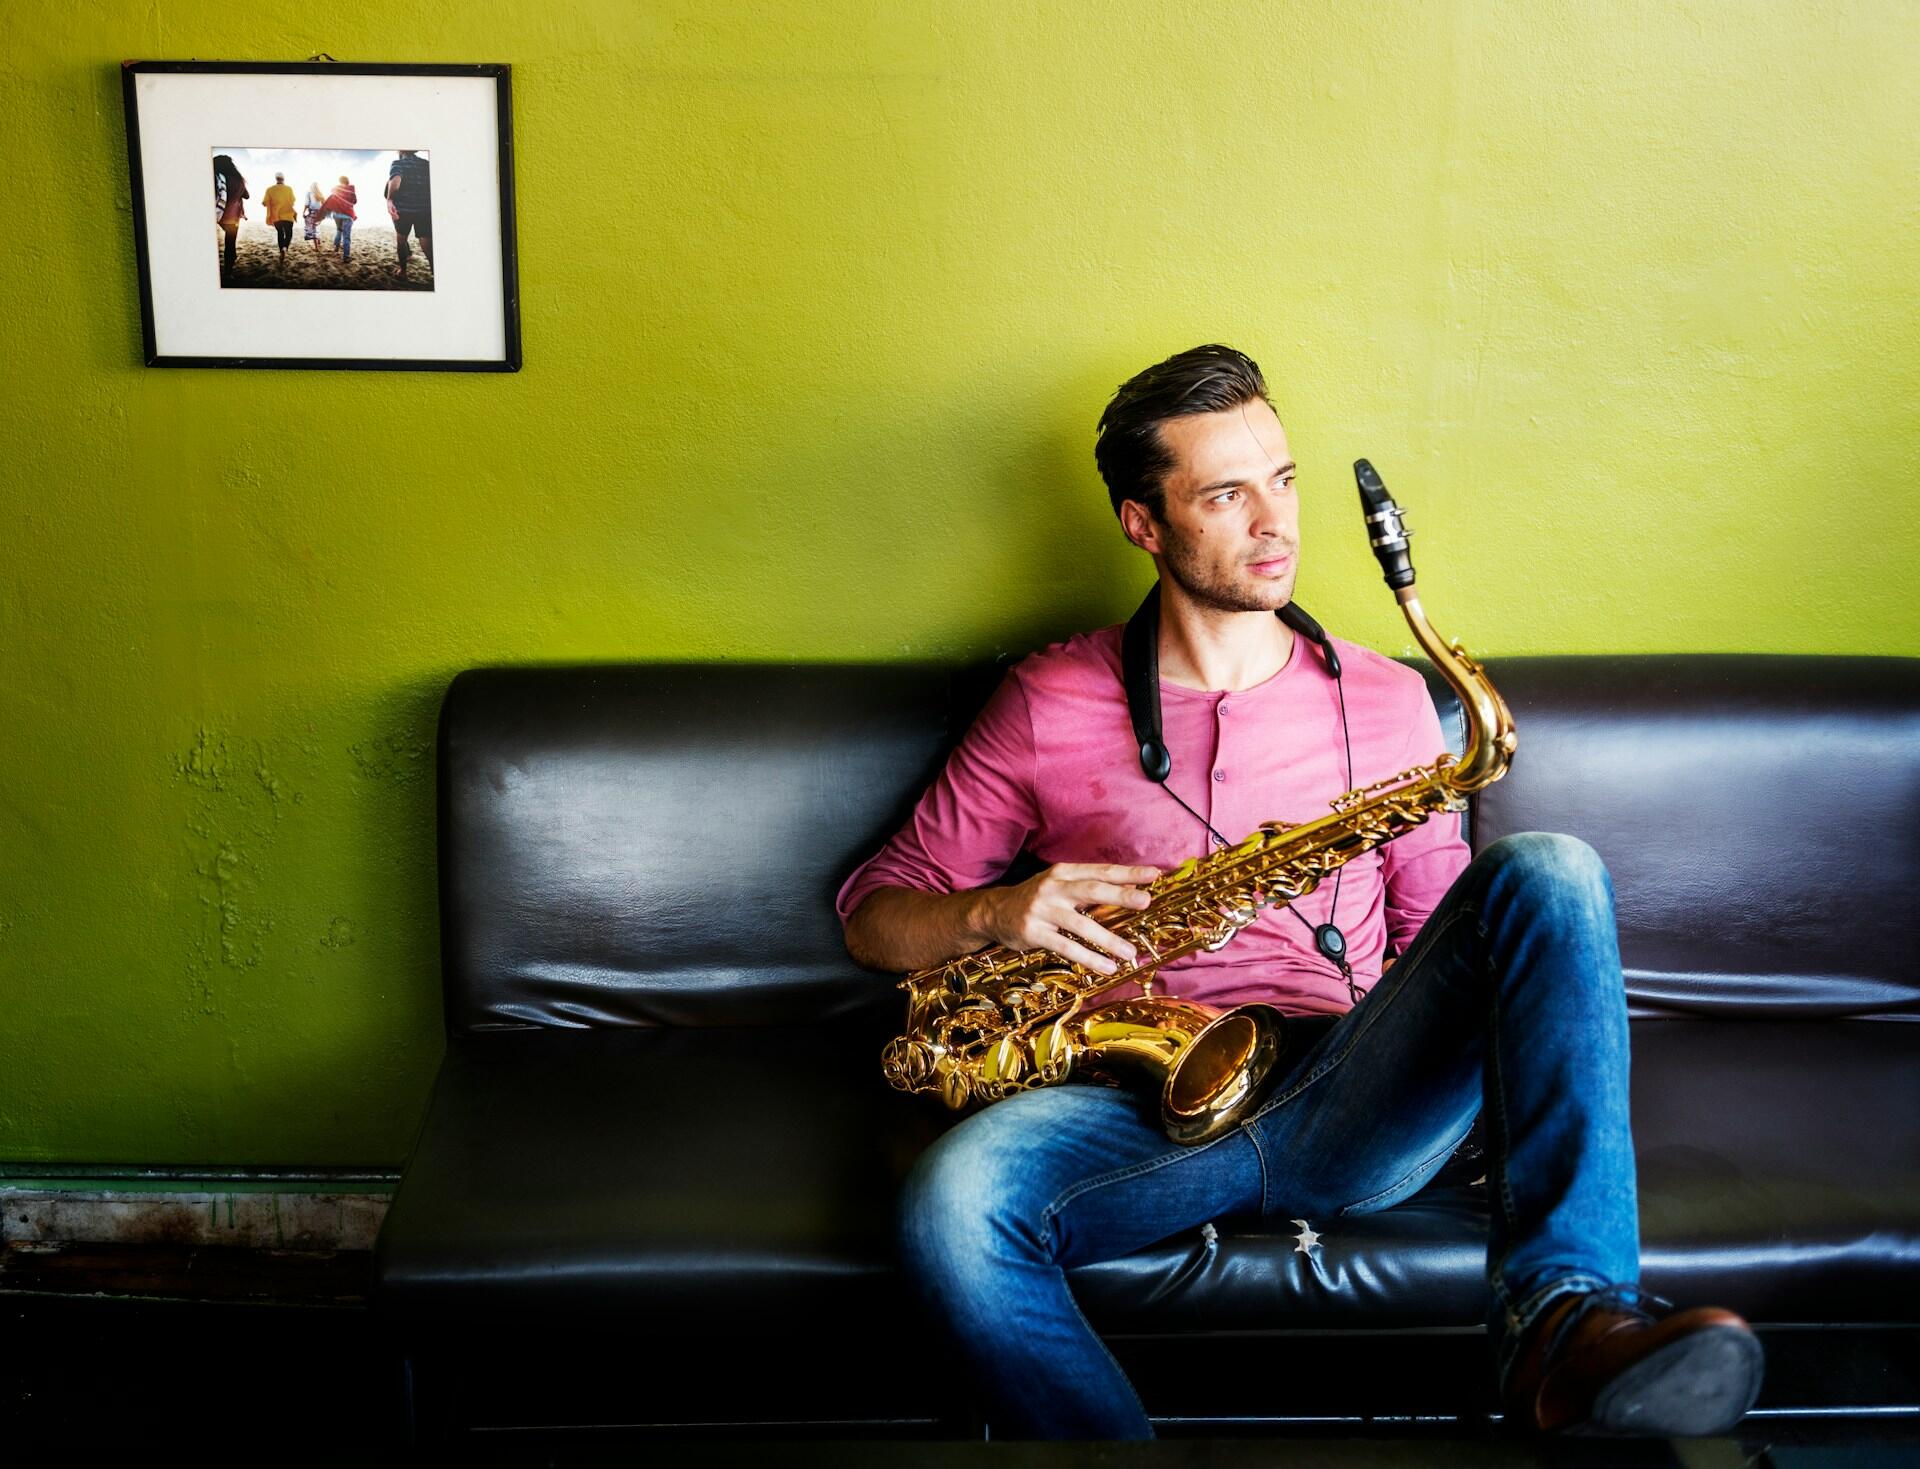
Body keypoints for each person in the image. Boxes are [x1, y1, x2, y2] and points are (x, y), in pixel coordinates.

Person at [836, 343, 1766, 1441]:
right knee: (949, 1207)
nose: (1275, 522)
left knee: (1552, 869)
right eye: (1226, 493)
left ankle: (1567, 1325)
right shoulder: (1048, 698)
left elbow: (1440, 941)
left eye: (1283, 479)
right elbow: (874, 907)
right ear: (1144, 523)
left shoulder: (1385, 701)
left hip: (1348, 1087)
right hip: (1131, 1103)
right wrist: (997, 910)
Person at [385, 149, 433, 280]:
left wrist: (389, 199)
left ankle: (403, 272)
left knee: (401, 240)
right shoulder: (426, 164)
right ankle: (436, 271)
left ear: (401, 151)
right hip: (424, 209)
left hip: (404, 210)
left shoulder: (398, 164)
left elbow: (395, 183)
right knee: (426, 241)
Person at [212, 154, 248, 280]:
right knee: (230, 244)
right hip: (233, 218)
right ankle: (228, 272)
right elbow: (247, 196)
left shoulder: (217, 178)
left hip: (217, 214)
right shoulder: (239, 179)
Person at [321, 175, 358, 265]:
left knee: (339, 230)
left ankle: (336, 247)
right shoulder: (351, 189)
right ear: (347, 181)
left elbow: (332, 199)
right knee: (346, 235)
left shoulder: (335, 189)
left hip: (337, 215)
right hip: (347, 215)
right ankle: (346, 256)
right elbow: (354, 201)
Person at [262, 172, 297, 264]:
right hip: (288, 215)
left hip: (276, 217)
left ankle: (281, 249)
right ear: (283, 179)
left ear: (276, 179)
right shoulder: (289, 189)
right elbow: (293, 201)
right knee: (288, 234)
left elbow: (265, 203)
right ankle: (285, 248)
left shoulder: (269, 189)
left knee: (280, 233)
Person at [301, 182, 327, 252]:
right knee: (316, 226)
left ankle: (316, 247)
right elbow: (324, 204)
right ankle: (318, 240)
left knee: (312, 229)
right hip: (320, 213)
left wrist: (304, 212)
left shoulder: (309, 193)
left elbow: (306, 204)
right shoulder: (320, 194)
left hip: (312, 212)